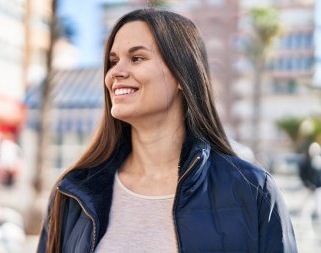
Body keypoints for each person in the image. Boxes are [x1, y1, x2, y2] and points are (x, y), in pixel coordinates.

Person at [37, 9, 297, 253]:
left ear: (182, 76)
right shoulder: (72, 192)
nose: (115, 72)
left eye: (137, 58)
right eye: (113, 61)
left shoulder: (252, 190)